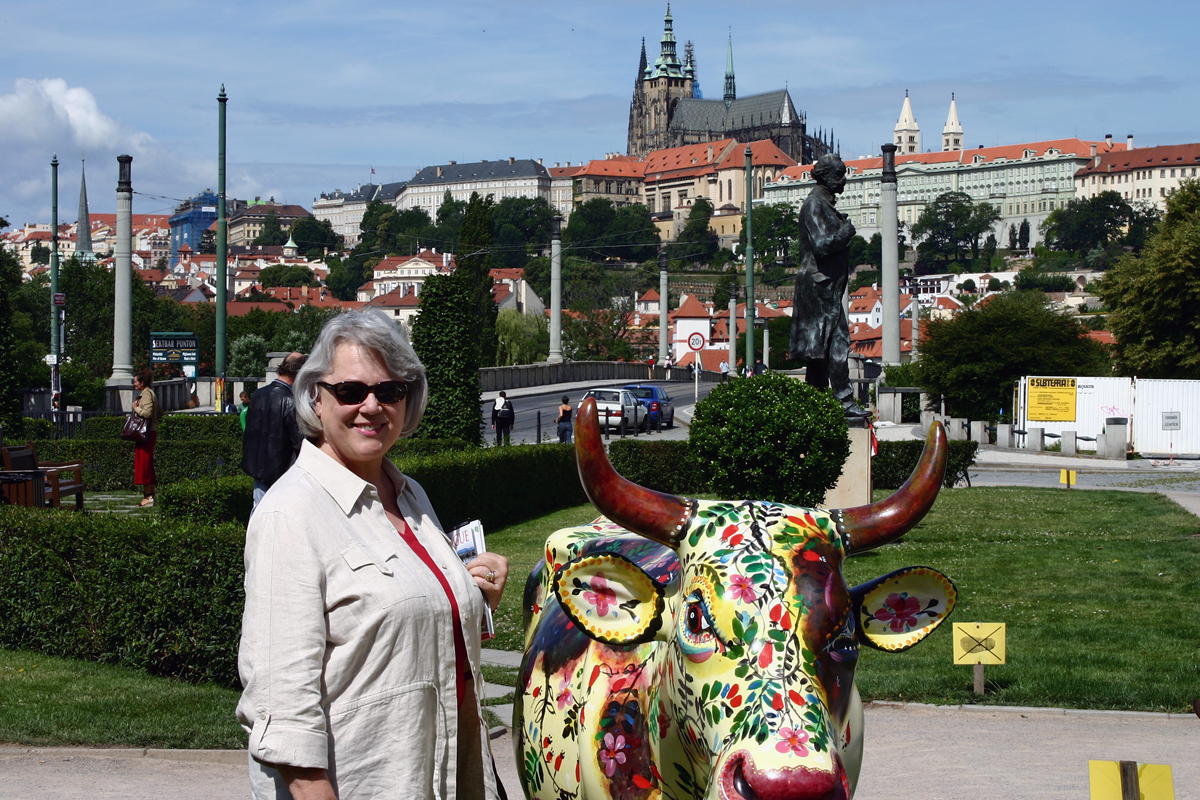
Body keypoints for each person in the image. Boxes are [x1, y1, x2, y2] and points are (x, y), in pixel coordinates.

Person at [237, 308, 509, 800]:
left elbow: (395, 625)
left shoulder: (410, 495)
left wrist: (469, 596)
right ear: (315, 398)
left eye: (389, 391)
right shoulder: (290, 515)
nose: (371, 405)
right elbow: (285, 713)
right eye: (350, 391)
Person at [789, 153, 869, 417]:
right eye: (839, 174)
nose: (843, 179)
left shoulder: (823, 204)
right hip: (819, 286)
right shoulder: (814, 204)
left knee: (819, 348)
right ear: (824, 176)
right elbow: (822, 246)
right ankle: (844, 401)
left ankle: (814, 401)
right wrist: (846, 232)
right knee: (837, 343)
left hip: (824, 287)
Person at [242, 352, 307, 508]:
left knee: (259, 514)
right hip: (283, 473)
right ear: (298, 373)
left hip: (259, 471)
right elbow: (300, 443)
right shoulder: (291, 401)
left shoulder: (258, 394)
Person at [131, 370, 165, 507]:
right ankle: (150, 495)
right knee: (147, 464)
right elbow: (160, 412)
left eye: (136, 381)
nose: (134, 384)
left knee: (144, 464)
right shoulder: (151, 393)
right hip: (149, 433)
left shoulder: (146, 395)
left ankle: (148, 496)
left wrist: (136, 408)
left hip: (145, 434)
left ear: (142, 383)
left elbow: (148, 413)